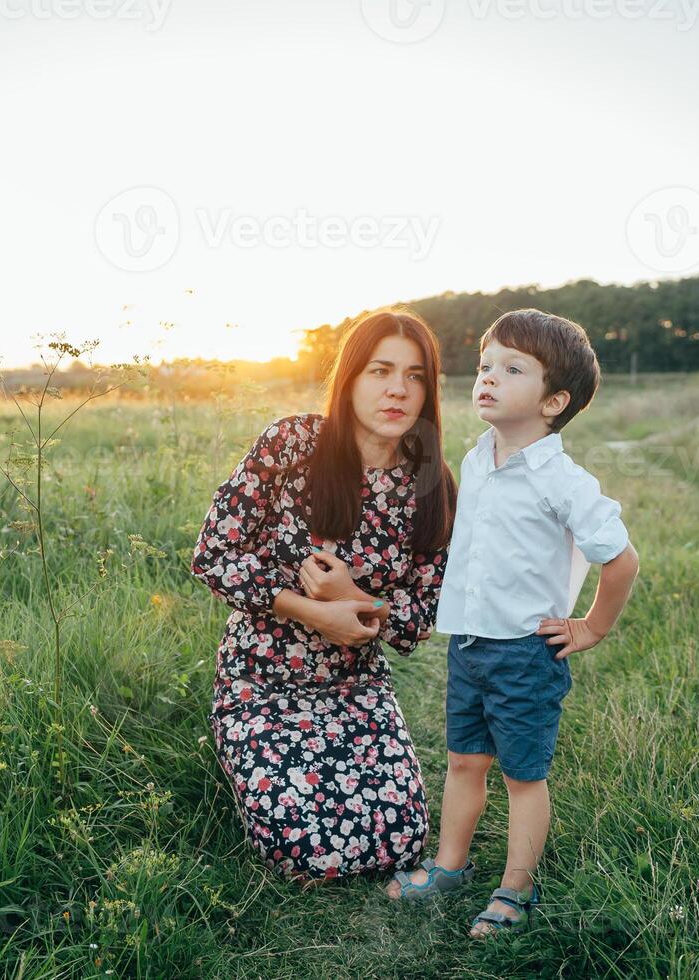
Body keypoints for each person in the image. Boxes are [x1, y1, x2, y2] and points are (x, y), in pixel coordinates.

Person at [384, 309, 640, 940]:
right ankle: (451, 865)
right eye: (486, 365)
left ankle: (515, 889)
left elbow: (622, 559)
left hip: (525, 651)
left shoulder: (563, 480)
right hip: (469, 644)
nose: (489, 378)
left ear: (554, 400)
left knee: (524, 774)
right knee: (463, 762)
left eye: (512, 368)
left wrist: (591, 628)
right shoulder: (477, 458)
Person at [190, 308, 455, 885]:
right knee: (305, 847)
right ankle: (246, 749)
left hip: (354, 684)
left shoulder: (430, 483)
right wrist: (313, 611)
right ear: (350, 378)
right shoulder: (292, 444)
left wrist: (352, 597)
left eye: (415, 376)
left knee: (401, 839)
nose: (397, 389)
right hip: (262, 679)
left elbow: (418, 622)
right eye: (380, 371)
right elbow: (213, 556)